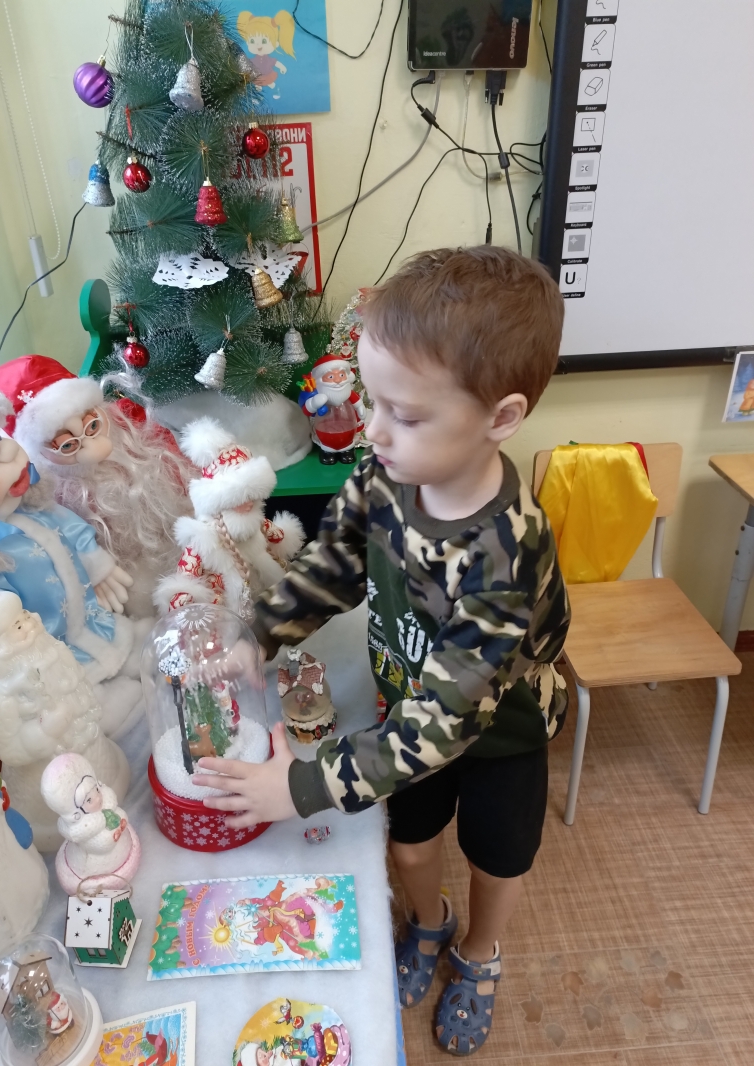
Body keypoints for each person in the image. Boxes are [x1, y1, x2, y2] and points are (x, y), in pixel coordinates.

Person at [193, 246, 571, 1057]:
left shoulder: (502, 556)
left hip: (499, 733)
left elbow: (445, 725)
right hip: (407, 710)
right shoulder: (384, 471)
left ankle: (480, 951)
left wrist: (300, 786)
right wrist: (262, 632)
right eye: (372, 400)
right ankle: (430, 924)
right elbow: (335, 563)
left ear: (500, 417)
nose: (371, 428)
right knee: (407, 843)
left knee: (498, 858)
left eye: (405, 413)